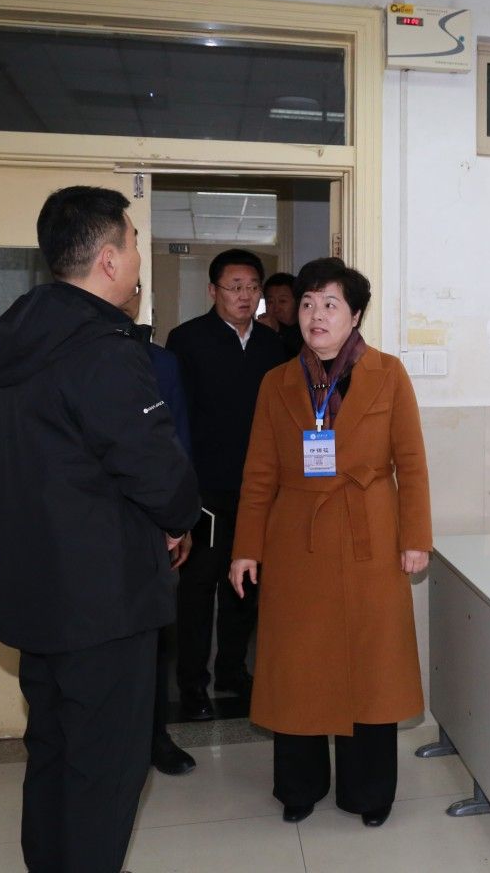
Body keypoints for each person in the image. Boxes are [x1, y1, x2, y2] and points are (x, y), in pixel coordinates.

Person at [0, 186, 201, 872]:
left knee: (52, 754)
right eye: (133, 244)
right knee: (104, 771)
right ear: (108, 259)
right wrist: (180, 519)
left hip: (36, 595)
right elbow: (155, 468)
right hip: (104, 604)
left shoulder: (13, 346)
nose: (137, 259)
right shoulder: (102, 349)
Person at [230, 256, 432, 829]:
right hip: (298, 539)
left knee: (372, 665)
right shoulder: (276, 382)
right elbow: (259, 473)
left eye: (330, 304)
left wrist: (416, 537)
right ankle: (300, 785)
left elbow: (412, 464)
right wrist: (246, 548)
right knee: (298, 666)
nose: (316, 315)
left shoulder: (388, 374)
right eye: (308, 303)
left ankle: (369, 792)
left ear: (356, 314)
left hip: (371, 533)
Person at [166, 249, 295, 721]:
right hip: (206, 489)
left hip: (258, 491)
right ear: (213, 291)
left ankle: (233, 672)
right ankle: (192, 685)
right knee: (199, 589)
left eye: (252, 287)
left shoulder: (272, 346)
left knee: (246, 587)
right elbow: (175, 419)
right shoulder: (187, 341)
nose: (245, 296)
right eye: (234, 287)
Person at [119, 289, 197, 777]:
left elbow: (177, 444)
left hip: (152, 523)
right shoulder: (61, 357)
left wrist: (180, 520)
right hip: (89, 525)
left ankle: (155, 736)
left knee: (155, 635)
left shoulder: (161, 364)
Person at [259, 270, 303, 353]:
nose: (276, 309)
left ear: (298, 302)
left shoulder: (307, 330)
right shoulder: (263, 329)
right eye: (270, 302)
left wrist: (279, 329)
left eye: (282, 301)